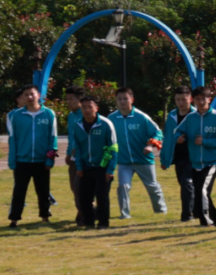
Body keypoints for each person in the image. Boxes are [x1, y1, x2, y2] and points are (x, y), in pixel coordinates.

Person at [176, 86, 216, 227]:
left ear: (209, 99)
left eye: (204, 99)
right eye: (198, 99)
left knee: (202, 190)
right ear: (193, 100)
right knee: (202, 191)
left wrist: (205, 141)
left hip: (213, 161)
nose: (201, 102)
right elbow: (177, 131)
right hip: (195, 162)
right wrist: (179, 137)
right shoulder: (190, 117)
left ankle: (205, 221)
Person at [110, 86, 167, 219]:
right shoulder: (112, 118)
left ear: (132, 100)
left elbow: (158, 132)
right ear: (116, 101)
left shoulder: (141, 117)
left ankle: (161, 211)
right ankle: (125, 214)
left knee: (152, 186)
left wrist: (150, 145)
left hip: (143, 159)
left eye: (125, 98)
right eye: (119, 99)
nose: (122, 102)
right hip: (124, 161)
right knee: (123, 186)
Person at [6, 84, 57, 226]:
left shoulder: (48, 114)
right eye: (26, 94)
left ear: (38, 95)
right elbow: (12, 139)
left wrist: (50, 159)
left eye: (32, 94)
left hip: (41, 160)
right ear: (22, 97)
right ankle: (14, 219)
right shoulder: (15, 115)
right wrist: (12, 159)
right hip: (22, 160)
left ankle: (45, 216)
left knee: (43, 190)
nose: (29, 97)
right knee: (19, 191)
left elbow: (52, 138)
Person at [69, 92, 118, 229]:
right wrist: (79, 167)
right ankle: (89, 222)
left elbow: (113, 148)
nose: (86, 110)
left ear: (96, 108)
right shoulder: (77, 125)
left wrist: (110, 169)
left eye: (90, 107)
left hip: (102, 166)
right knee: (84, 197)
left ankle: (103, 223)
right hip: (85, 166)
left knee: (101, 197)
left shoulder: (106, 124)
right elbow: (77, 148)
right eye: (83, 107)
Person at [162, 85, 196, 222]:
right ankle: (195, 210)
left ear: (190, 99)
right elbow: (168, 138)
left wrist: (186, 138)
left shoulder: (195, 115)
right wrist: (165, 159)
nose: (181, 103)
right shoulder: (171, 116)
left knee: (187, 183)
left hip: (193, 156)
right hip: (178, 156)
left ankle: (187, 215)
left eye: (184, 100)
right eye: (178, 100)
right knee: (184, 184)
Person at [62, 85, 84, 224]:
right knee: (74, 188)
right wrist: (69, 153)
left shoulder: (86, 114)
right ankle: (84, 211)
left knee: (80, 187)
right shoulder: (71, 116)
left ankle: (85, 213)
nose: (68, 102)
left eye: (71, 99)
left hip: (85, 158)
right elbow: (71, 136)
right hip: (74, 158)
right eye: (67, 99)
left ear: (79, 99)